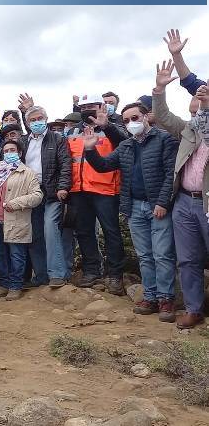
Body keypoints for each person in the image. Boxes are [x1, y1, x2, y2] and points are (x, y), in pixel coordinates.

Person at [84, 102, 177, 321]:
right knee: (145, 255)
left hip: (157, 206)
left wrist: (163, 202)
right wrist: (90, 149)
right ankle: (151, 296)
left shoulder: (164, 140)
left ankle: (166, 299)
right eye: (126, 120)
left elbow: (171, 174)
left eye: (135, 118)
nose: (131, 123)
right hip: (134, 207)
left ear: (146, 117)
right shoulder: (126, 146)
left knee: (162, 254)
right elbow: (104, 166)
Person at [153, 58, 208, 329]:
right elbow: (162, 117)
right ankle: (193, 309)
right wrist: (159, 91)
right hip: (185, 202)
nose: (197, 112)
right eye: (194, 110)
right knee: (187, 259)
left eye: (202, 108)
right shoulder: (189, 130)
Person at [66, 96, 128, 295]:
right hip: (79, 190)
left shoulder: (114, 129)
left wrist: (107, 126)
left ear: (101, 107)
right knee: (83, 232)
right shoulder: (73, 132)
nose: (87, 110)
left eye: (91, 106)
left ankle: (114, 274)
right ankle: (92, 271)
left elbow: (125, 145)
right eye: (83, 107)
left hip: (105, 189)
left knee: (111, 233)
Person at [0, 135, 43, 301]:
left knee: (16, 254)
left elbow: (37, 196)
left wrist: (16, 203)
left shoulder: (27, 173)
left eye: (12, 150)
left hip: (16, 220)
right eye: (6, 151)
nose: (9, 153)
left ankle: (15, 286)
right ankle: (4, 284)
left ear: (19, 153)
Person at [21, 105, 72, 288]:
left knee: (50, 229)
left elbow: (66, 164)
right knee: (34, 234)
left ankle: (58, 274)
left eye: (40, 118)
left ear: (46, 118)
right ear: (27, 123)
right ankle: (41, 275)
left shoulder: (57, 139)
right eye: (32, 120)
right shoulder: (23, 141)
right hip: (31, 193)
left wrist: (63, 187)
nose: (37, 122)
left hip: (52, 192)